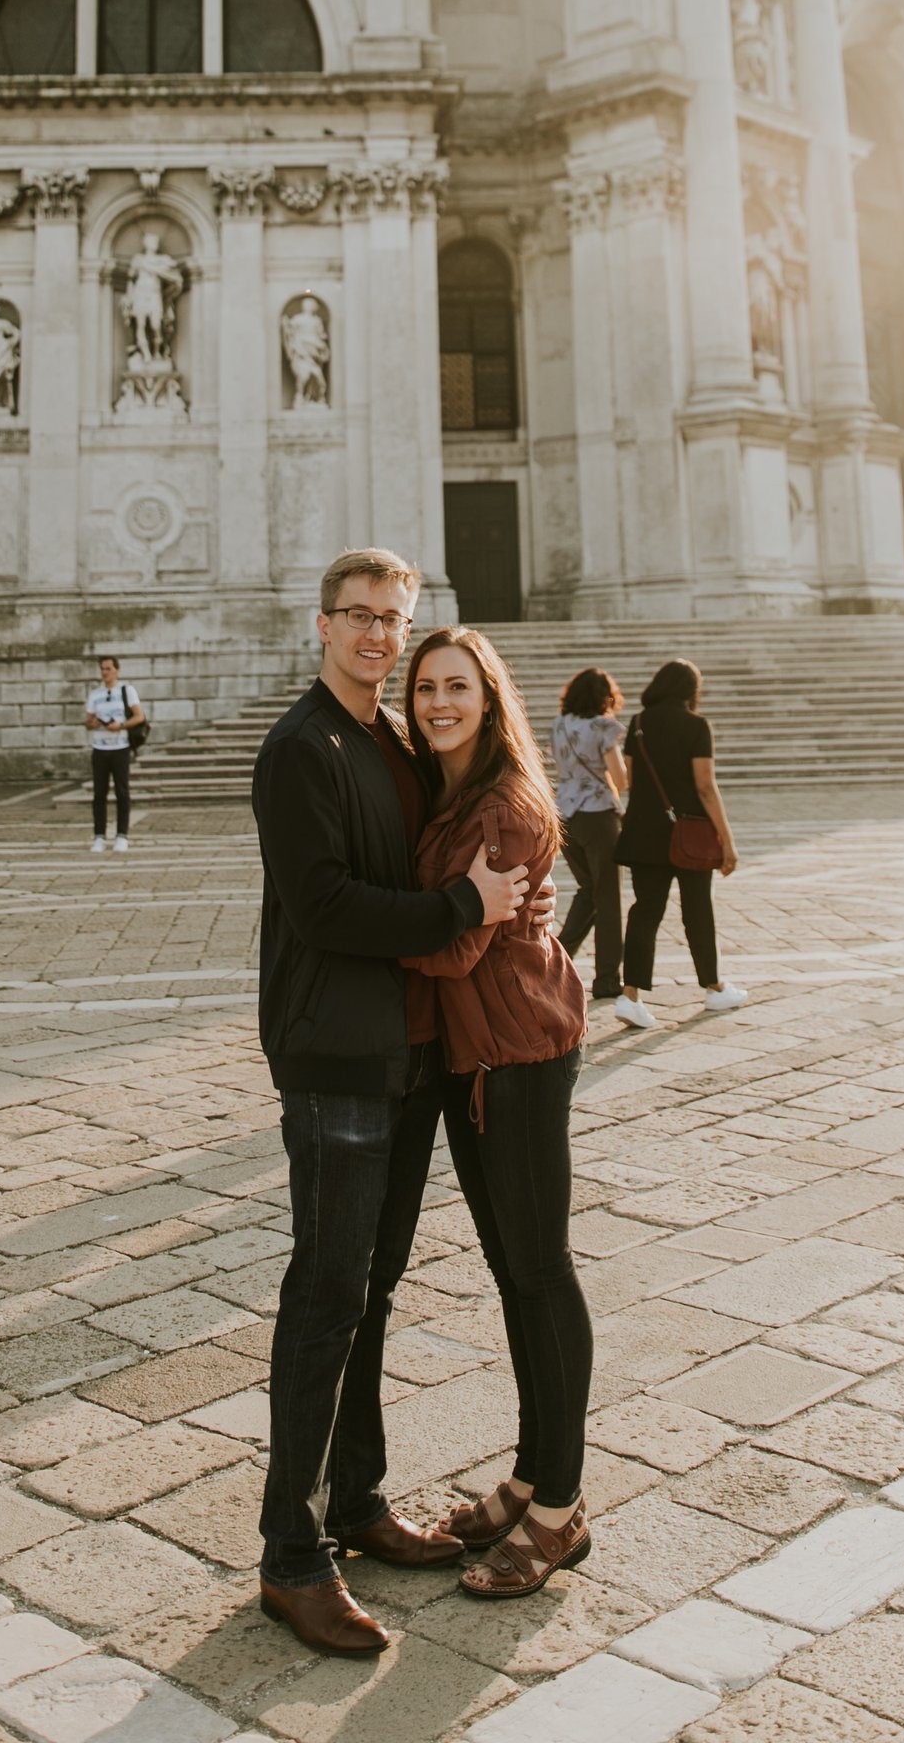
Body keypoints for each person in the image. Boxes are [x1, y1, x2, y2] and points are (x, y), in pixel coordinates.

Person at [251, 549, 532, 1656]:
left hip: (405, 1058)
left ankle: (356, 1502)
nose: (378, 635)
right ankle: (291, 1552)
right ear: (322, 624)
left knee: (372, 1290)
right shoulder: (299, 750)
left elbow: (450, 849)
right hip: (335, 1058)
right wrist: (465, 901)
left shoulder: (395, 745)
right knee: (324, 1300)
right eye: (360, 617)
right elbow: (322, 908)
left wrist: (512, 891)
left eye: (394, 620)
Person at [402, 627, 594, 1597]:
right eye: (426, 686)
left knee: (540, 1272)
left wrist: (349, 928)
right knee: (517, 1275)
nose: (440, 702)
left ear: (490, 699)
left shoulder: (504, 806)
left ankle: (560, 1509)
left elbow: (449, 952)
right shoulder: (447, 794)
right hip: (480, 1058)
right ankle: (531, 1476)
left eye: (458, 688)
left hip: (516, 1055)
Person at [615, 660, 742, 1028]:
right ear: (691, 691)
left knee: (645, 913)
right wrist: (727, 840)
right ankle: (715, 987)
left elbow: (631, 780)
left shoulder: (638, 724)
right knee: (698, 910)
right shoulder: (697, 726)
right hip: (690, 833)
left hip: (644, 832)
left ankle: (630, 996)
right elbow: (705, 785)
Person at [550, 669, 627, 1003]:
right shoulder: (603, 727)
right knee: (608, 897)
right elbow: (621, 779)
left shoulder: (560, 724)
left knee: (588, 891)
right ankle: (608, 978)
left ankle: (555, 960)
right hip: (598, 813)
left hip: (565, 812)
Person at [82, 655, 146, 852]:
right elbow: (88, 721)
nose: (105, 672)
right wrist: (93, 723)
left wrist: (121, 725)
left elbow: (139, 716)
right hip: (100, 748)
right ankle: (99, 836)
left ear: (116, 670)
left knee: (122, 791)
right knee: (99, 794)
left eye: (108, 668)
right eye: (102, 669)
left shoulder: (127, 691)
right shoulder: (95, 695)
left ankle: (122, 835)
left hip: (120, 747)